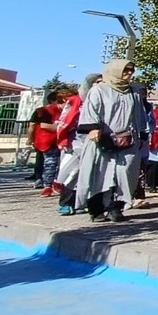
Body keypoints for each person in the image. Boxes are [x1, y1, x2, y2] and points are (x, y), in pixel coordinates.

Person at [75, 60, 148, 223]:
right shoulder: (99, 90)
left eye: (131, 70)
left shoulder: (133, 92)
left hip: (128, 141)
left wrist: (143, 136)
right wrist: (93, 128)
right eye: (125, 70)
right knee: (100, 174)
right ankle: (97, 209)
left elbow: (140, 115)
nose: (129, 73)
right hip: (103, 140)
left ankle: (116, 208)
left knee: (126, 173)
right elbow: (90, 110)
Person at [54, 74, 101, 214]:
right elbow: (64, 121)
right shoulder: (76, 101)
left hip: (95, 142)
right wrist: (62, 140)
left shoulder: (104, 100)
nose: (100, 85)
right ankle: (65, 202)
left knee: (89, 174)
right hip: (75, 142)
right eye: (97, 82)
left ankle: (81, 202)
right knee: (72, 172)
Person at [29, 91, 64, 195]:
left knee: (58, 164)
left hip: (56, 140)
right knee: (50, 163)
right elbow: (43, 125)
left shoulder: (63, 110)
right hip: (47, 141)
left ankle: (53, 183)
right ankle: (47, 184)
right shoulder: (44, 111)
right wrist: (63, 128)